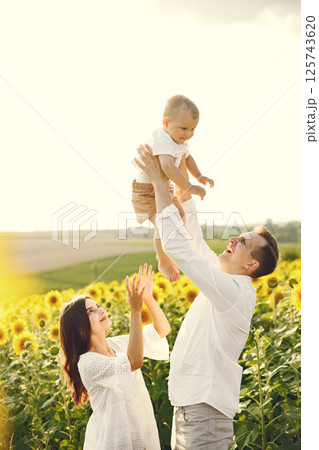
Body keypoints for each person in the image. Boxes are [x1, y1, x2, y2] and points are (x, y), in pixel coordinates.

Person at [134, 146, 279, 450]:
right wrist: (179, 176)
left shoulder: (235, 292)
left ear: (251, 265)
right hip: (191, 407)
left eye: (243, 242)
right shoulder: (227, 281)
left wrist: (160, 184)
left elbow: (179, 248)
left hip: (204, 411)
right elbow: (193, 240)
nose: (233, 239)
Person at [59, 264, 171, 450]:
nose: (100, 310)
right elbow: (133, 362)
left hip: (141, 432)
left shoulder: (116, 345)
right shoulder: (87, 362)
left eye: (98, 306)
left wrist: (148, 298)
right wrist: (135, 311)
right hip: (115, 439)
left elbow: (161, 330)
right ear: (79, 329)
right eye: (90, 312)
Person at [132, 95, 214, 282]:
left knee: (181, 217)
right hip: (147, 190)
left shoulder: (179, 140)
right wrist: (190, 187)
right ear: (165, 123)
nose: (188, 134)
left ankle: (172, 252)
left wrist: (199, 176)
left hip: (162, 187)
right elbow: (168, 167)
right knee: (166, 223)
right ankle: (163, 259)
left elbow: (187, 157)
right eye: (184, 128)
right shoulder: (162, 139)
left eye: (193, 129)